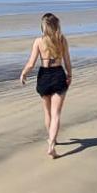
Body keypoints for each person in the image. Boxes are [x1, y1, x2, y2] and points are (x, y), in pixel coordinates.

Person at [19, 12, 72, 158]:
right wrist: (70, 75)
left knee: (47, 113)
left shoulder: (38, 41)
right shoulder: (62, 40)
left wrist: (24, 73)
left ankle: (51, 138)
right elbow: (67, 61)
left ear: (43, 26)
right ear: (56, 25)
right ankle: (51, 145)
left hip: (44, 76)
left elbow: (31, 63)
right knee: (56, 114)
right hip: (58, 75)